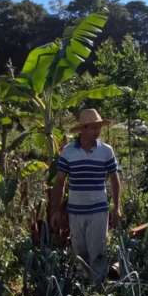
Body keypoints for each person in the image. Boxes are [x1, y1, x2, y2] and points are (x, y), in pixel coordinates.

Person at [50, 108, 122, 284]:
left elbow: (115, 179)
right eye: (93, 128)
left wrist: (117, 207)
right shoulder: (68, 152)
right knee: (79, 253)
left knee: (97, 252)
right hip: (75, 210)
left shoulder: (106, 151)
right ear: (83, 128)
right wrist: (56, 210)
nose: (97, 132)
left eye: (99, 128)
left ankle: (97, 289)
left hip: (98, 209)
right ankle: (82, 289)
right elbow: (60, 182)